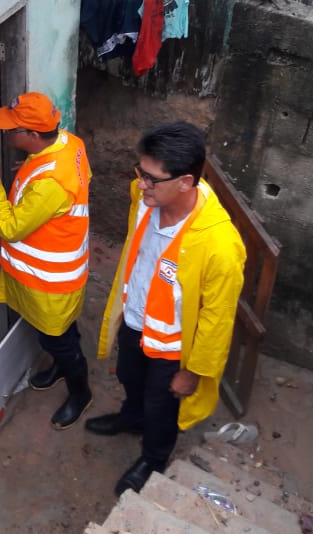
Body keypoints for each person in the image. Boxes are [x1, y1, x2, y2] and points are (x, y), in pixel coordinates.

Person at [90, 121, 246, 495]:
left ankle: (153, 456)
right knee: (128, 377)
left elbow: (217, 320)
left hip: (172, 348)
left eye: (152, 178)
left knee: (162, 408)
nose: (141, 184)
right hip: (134, 320)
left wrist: (192, 372)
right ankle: (131, 418)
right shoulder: (144, 200)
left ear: (186, 183)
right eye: (141, 173)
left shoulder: (220, 246)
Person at [0, 92, 94, 430]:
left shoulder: (51, 184)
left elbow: (10, 227)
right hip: (57, 272)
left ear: (31, 135)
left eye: (12, 129)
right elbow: (80, 176)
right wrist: (29, 169)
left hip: (51, 281)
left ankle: (80, 393)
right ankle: (61, 367)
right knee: (57, 332)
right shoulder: (69, 143)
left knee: (58, 339)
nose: (6, 134)